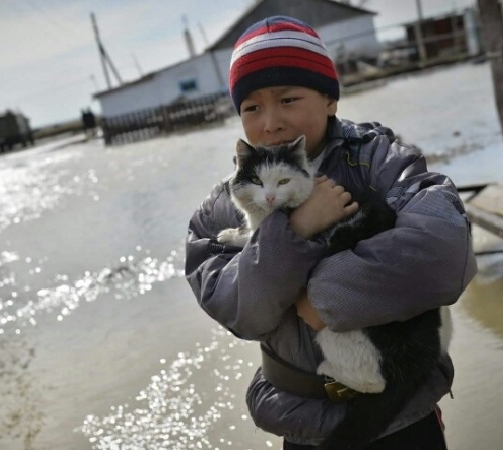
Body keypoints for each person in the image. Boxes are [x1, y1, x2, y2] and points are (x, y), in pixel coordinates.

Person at [184, 15, 477, 449]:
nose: (270, 123)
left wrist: (327, 297)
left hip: (403, 416)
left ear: (330, 100)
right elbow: (240, 310)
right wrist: (293, 230)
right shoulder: (226, 207)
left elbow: (445, 253)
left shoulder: (379, 163)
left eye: (288, 99)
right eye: (251, 107)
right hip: (304, 424)